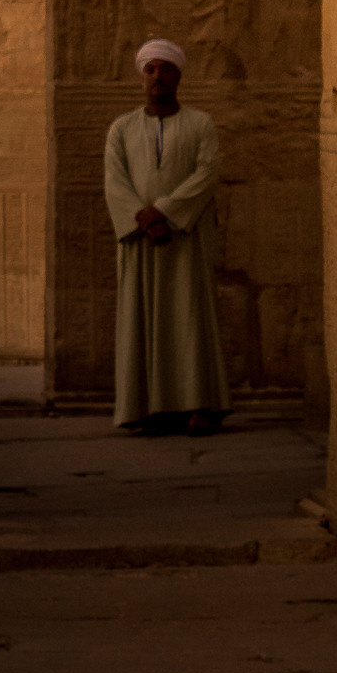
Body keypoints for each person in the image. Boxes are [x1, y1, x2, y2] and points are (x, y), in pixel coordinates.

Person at [104, 39, 232, 436]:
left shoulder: (200, 124)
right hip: (141, 239)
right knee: (140, 319)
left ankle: (198, 405)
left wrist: (166, 213)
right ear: (142, 78)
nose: (158, 77)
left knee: (190, 318)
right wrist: (144, 220)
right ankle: (145, 408)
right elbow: (115, 182)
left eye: (166, 70)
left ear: (179, 75)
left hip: (185, 238)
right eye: (151, 70)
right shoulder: (122, 129)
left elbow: (206, 174)